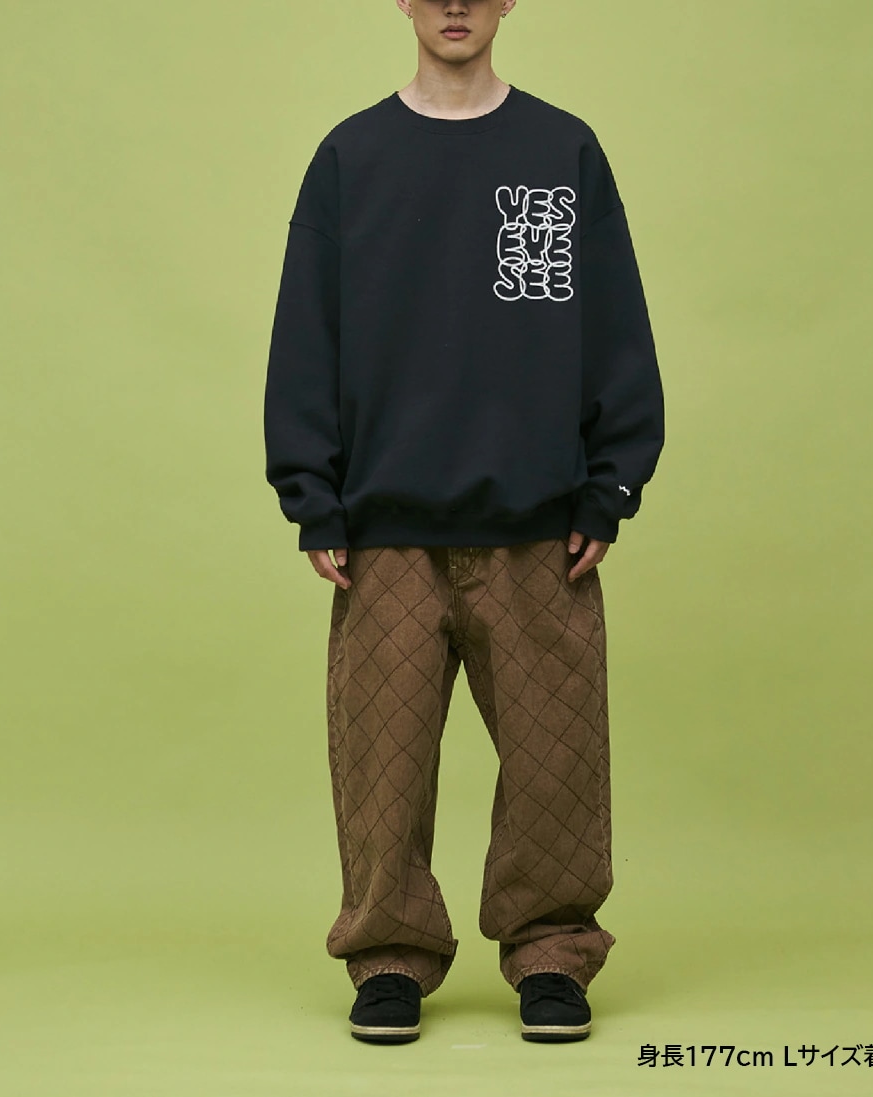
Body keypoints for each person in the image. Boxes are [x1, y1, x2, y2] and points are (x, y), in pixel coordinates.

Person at [263, 0, 664, 1045]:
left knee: (555, 755)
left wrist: (609, 485)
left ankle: (551, 947)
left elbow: (614, 323)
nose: (454, 3)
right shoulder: (351, 158)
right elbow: (307, 330)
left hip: (539, 523)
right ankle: (388, 952)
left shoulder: (562, 152)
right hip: (385, 527)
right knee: (382, 758)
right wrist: (312, 492)